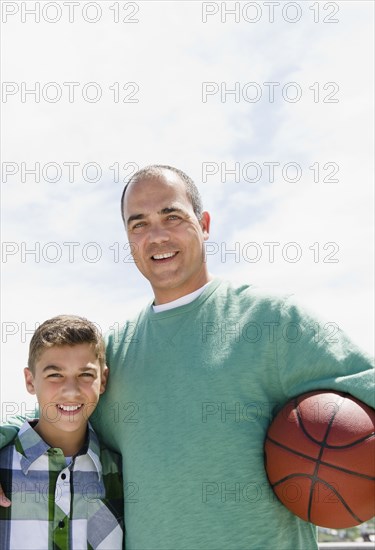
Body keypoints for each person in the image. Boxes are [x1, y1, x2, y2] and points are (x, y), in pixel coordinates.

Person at [1, 165, 374, 550]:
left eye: (172, 216)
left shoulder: (273, 321)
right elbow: (61, 411)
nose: (156, 235)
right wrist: (4, 432)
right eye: (139, 224)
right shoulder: (116, 350)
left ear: (205, 223)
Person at [0, 315, 124, 550]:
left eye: (85, 375)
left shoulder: (119, 473)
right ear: (30, 380)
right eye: (55, 375)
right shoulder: (2, 465)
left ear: (103, 379)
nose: (70, 391)